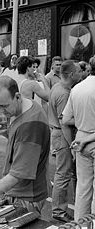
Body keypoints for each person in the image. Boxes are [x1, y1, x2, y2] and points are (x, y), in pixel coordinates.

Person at [0, 76, 50, 217]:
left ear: (17, 96)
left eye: (4, 106)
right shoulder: (26, 106)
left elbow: (18, 174)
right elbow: (22, 147)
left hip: (26, 196)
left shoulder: (30, 125)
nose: (1, 111)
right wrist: (8, 134)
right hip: (22, 193)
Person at [62, 56, 95, 220]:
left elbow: (66, 119)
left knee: (83, 187)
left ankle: (79, 223)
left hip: (81, 139)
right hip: (91, 139)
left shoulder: (77, 89)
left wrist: (83, 122)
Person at [48, 60, 82, 222]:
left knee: (66, 173)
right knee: (63, 174)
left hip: (57, 134)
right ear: (71, 74)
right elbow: (65, 123)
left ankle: (73, 206)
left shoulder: (57, 87)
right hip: (62, 135)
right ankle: (59, 211)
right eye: (78, 71)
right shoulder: (64, 94)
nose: (80, 73)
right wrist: (72, 146)